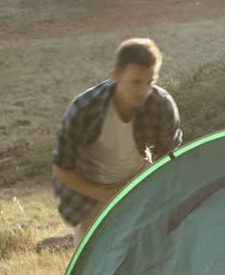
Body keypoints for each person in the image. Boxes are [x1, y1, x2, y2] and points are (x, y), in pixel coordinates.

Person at [52, 38, 183, 246]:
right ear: (116, 77)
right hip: (91, 195)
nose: (143, 91)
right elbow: (61, 169)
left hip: (137, 183)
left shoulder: (161, 105)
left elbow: (168, 159)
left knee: (147, 254)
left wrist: (145, 188)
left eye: (150, 82)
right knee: (92, 270)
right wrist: (105, 195)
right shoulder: (85, 108)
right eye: (135, 82)